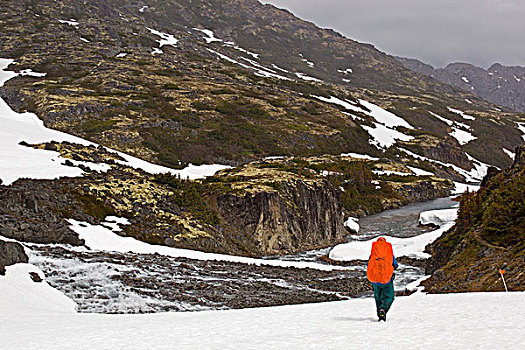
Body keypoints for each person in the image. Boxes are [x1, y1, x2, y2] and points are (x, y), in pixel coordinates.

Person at [366, 237, 398, 322]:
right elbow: (395, 265)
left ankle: (380, 314)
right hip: (387, 279)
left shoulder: (373, 254)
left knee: (378, 297)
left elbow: (368, 265)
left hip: (375, 280)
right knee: (389, 296)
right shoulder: (389, 254)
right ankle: (383, 309)